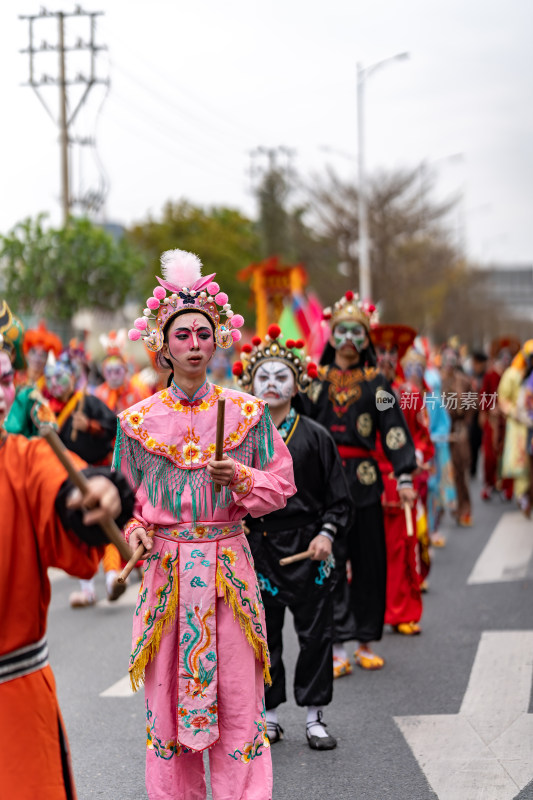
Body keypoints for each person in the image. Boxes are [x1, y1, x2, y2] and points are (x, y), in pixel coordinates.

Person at [115, 249, 296, 800]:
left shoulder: (247, 414)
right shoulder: (138, 423)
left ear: (217, 340)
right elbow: (124, 502)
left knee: (240, 707)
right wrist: (135, 532)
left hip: (228, 574)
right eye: (182, 335)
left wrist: (241, 478)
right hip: (167, 575)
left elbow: (282, 488)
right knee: (168, 711)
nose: (194, 344)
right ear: (163, 346)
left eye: (202, 334)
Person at [0, 317, 134, 800]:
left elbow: (66, 485)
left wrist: (105, 490)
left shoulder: (23, 458)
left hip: (11, 702)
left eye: (4, 380)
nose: (2, 394)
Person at [234, 326, 351, 750]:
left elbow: (339, 499)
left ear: (296, 384)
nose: (271, 384)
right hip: (258, 547)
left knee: (317, 635)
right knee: (262, 636)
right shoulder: (240, 437)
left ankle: (315, 717)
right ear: (248, 384)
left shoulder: (316, 436)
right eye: (262, 377)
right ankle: (268, 715)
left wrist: (326, 534)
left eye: (280, 376)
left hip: (308, 548)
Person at [299, 291, 417, 674]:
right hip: (324, 485)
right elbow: (293, 426)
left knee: (369, 562)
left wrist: (403, 474)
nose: (349, 338)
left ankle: (365, 639)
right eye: (342, 330)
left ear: (367, 338)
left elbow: (395, 432)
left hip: (365, 482)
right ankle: (337, 646)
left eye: (357, 331)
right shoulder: (313, 383)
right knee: (331, 564)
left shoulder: (378, 385)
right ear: (331, 335)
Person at [41, 349, 120, 606]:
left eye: (61, 377)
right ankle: (87, 589)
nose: (55, 383)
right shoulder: (47, 410)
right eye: (51, 378)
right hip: (71, 477)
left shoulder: (89, 402)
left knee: (106, 524)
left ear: (73, 378)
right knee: (78, 527)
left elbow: (113, 425)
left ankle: (111, 578)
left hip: (99, 471)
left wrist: (90, 427)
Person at [372, 326, 434, 633]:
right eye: (380, 351)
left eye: (391, 352)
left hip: (399, 481)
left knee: (400, 548)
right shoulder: (363, 392)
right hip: (367, 480)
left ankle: (400, 612)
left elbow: (423, 437)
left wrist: (417, 457)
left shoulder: (408, 395)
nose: (385, 357)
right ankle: (369, 613)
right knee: (367, 551)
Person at [439, 344, 474, 527]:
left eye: (453, 359)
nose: (449, 363)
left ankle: (465, 508)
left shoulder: (464, 381)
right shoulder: (437, 380)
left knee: (460, 470)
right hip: (441, 432)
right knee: (443, 472)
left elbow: (471, 406)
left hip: (458, 429)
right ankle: (443, 511)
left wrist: (464, 426)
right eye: (446, 359)